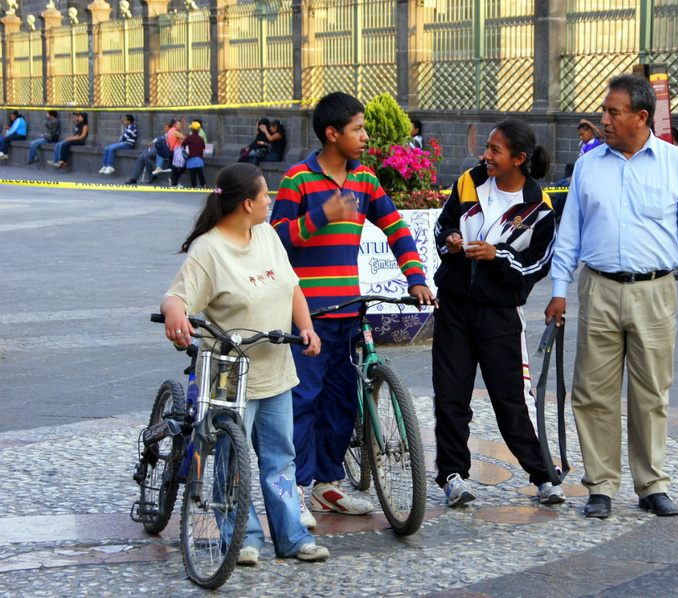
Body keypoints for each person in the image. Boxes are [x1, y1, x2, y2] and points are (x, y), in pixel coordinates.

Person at [545, 74, 678, 520]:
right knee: (592, 393)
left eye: (612, 112)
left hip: (655, 290)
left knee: (650, 393)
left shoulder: (677, 163)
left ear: (642, 117)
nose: (603, 119)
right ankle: (600, 486)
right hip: (598, 288)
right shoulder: (588, 165)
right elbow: (570, 234)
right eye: (604, 110)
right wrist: (559, 292)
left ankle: (652, 485)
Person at [269, 91, 435, 526]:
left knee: (341, 403)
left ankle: (326, 484)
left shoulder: (365, 179)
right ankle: (295, 490)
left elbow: (396, 227)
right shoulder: (297, 180)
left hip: (350, 312)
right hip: (307, 317)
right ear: (332, 133)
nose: (365, 137)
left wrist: (416, 278)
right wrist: (321, 214)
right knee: (302, 402)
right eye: (358, 129)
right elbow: (275, 240)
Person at [159, 162, 330, 566]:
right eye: (266, 195)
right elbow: (176, 297)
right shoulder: (209, 249)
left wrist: (306, 328)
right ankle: (243, 536)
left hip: (275, 367)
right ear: (247, 203)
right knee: (230, 460)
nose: (271, 200)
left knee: (280, 458)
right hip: (228, 374)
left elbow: (292, 287)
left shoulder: (267, 235)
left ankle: (291, 536)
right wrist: (175, 314)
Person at [432, 119, 565, 508]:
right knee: (450, 397)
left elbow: (537, 263)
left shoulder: (539, 207)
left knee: (513, 400)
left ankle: (543, 475)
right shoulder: (468, 182)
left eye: (494, 150)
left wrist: (497, 256)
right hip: (455, 306)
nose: (485, 156)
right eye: (486, 148)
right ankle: (453, 477)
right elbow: (442, 226)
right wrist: (452, 243)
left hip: (501, 314)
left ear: (518, 159)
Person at [181, 121, 207, 189]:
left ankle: (193, 186)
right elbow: (203, 149)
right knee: (200, 172)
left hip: (191, 158)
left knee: (193, 173)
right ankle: (204, 184)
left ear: (192, 129)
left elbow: (183, 145)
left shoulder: (189, 137)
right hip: (199, 158)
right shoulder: (201, 139)